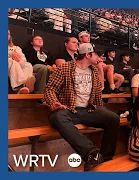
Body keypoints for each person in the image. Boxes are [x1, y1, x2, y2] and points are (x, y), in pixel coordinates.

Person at [44, 43, 120, 171]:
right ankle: (92, 154)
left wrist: (100, 106)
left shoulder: (94, 71)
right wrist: (53, 102)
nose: (99, 57)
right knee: (56, 117)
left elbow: (96, 94)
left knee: (113, 118)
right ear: (88, 55)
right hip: (70, 109)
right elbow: (50, 89)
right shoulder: (65, 68)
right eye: (96, 54)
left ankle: (106, 158)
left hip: (89, 109)